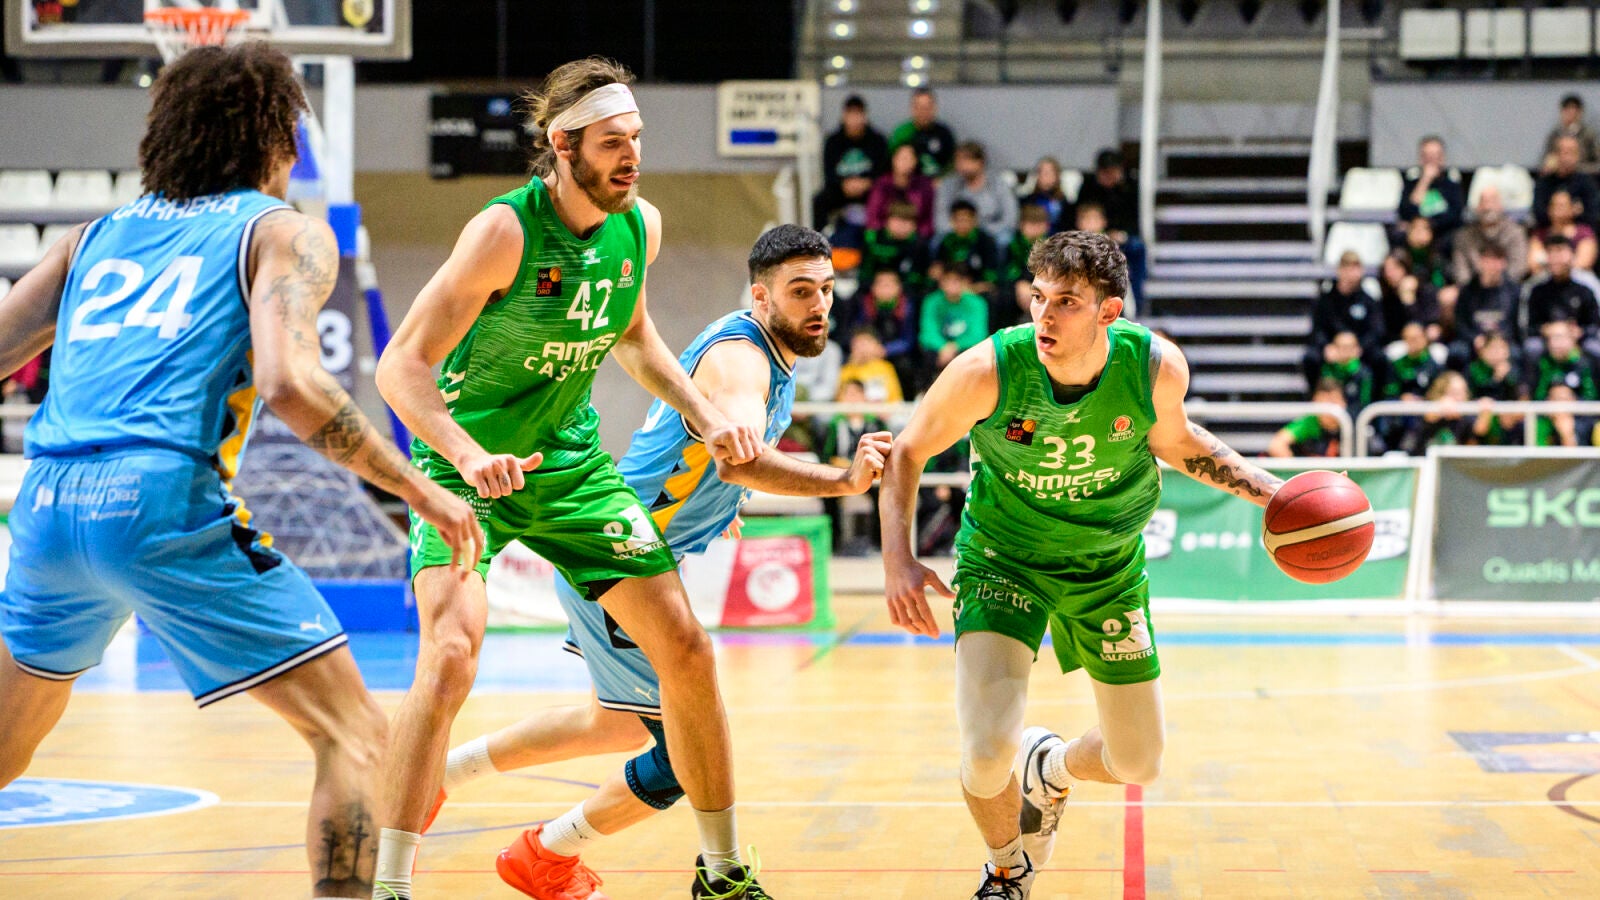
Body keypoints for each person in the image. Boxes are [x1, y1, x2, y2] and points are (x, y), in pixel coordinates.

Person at [0, 45, 481, 899]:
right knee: (354, 734)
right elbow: (291, 385)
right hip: (159, 500)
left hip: (47, 504)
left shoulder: (90, 240)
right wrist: (419, 488)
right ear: (278, 140)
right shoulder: (280, 231)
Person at [370, 57, 768, 900]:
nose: (632, 157)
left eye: (637, 140)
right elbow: (400, 366)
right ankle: (390, 886)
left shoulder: (639, 226)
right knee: (449, 658)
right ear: (563, 146)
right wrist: (466, 454)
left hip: (573, 469)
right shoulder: (504, 232)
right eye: (613, 143)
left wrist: (704, 412)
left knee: (687, 650)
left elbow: (635, 338)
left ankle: (723, 872)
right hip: (468, 469)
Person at [432, 225, 889, 900]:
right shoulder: (742, 359)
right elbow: (739, 457)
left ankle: (444, 776)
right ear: (761, 297)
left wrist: (719, 503)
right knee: (682, 753)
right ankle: (559, 855)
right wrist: (842, 481)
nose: (818, 305)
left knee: (615, 721)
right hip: (617, 556)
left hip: (632, 549)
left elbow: (713, 460)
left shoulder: (768, 351)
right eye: (800, 292)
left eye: (825, 290)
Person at [878, 231, 1284, 899]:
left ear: (1108, 311)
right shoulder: (988, 370)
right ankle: (1007, 867)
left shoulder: (1154, 368)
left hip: (1107, 568)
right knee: (986, 754)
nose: (1045, 315)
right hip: (1005, 560)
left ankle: (1052, 768)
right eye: (1037, 297)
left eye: (1066, 301)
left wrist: (1272, 492)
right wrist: (899, 560)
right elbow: (907, 452)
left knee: (1139, 761)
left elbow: (1178, 442)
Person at [1304, 251, 1384, 393]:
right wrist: (1328, 347)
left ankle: (1373, 401)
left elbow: (1376, 331)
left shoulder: (1368, 301)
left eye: (1355, 268)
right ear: (1339, 270)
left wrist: (1359, 347)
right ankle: (1317, 397)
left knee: (1380, 359)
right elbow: (1318, 330)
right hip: (1333, 349)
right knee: (1311, 358)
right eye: (1347, 268)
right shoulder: (1325, 301)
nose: (1351, 273)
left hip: (1359, 349)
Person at [813, 94, 889, 232]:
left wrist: (866, 183)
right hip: (841, 190)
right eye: (851, 114)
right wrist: (844, 184)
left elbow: (883, 172)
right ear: (844, 116)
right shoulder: (832, 141)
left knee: (885, 197)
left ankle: (879, 236)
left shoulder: (878, 141)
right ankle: (820, 239)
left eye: (858, 114)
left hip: (869, 190)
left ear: (865, 116)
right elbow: (828, 173)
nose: (855, 119)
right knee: (819, 201)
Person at [1449, 242, 1522, 369]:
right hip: (1474, 340)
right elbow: (1460, 323)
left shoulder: (1514, 291)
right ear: (1480, 262)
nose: (1492, 265)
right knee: (1457, 351)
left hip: (1503, 340)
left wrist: (1498, 341)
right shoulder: (1467, 290)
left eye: (1496, 260)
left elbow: (1515, 324)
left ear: (1504, 263)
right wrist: (1475, 338)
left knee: (1516, 353)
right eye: (1488, 260)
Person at [1524, 235, 1600, 357]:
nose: (1555, 259)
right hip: (1546, 340)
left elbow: (1594, 325)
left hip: (1578, 340)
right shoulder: (1537, 290)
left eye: (1560, 252)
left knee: (1595, 348)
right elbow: (1530, 326)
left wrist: (1578, 332)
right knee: (1532, 347)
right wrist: (1547, 330)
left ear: (1572, 255)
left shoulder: (1585, 289)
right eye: (1551, 252)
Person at [936, 141, 1019, 244]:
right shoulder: (948, 185)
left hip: (991, 232)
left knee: (1004, 239)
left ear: (980, 162)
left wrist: (982, 233)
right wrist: (961, 230)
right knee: (937, 241)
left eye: (966, 160)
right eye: (958, 160)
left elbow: (1010, 219)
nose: (960, 165)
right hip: (957, 232)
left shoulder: (998, 184)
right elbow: (940, 220)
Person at [920, 263, 991, 377]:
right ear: (941, 282)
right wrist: (943, 347)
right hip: (938, 351)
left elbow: (978, 335)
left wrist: (954, 346)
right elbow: (927, 333)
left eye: (956, 281)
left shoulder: (977, 303)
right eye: (947, 280)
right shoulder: (931, 302)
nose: (951, 285)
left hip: (964, 350)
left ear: (964, 282)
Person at [1449, 185, 1528, 286]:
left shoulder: (1515, 233)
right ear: (1476, 208)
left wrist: (1496, 283)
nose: (1487, 207)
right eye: (1483, 202)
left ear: (1501, 206)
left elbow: (1518, 268)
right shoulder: (1464, 236)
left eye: (1492, 201)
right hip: (1473, 290)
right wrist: (1476, 287)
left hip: (1507, 289)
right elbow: (1461, 273)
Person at [1398, 135, 1465, 243]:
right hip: (1414, 233)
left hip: (1443, 234)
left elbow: (1455, 215)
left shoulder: (1452, 186)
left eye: (1435, 156)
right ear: (1421, 159)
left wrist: (1429, 225)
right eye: (1428, 156)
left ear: (1442, 158)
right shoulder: (1410, 185)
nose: (1432, 161)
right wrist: (1425, 180)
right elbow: (1406, 212)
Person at [859, 201, 931, 298]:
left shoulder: (920, 245)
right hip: (872, 290)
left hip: (906, 293)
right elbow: (864, 272)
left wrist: (897, 288)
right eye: (897, 220)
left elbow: (918, 277)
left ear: (914, 225)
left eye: (907, 221)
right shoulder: (872, 239)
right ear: (887, 221)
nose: (901, 226)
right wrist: (879, 286)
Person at [866, 143, 938, 238]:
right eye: (903, 158)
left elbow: (928, 219)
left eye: (910, 158)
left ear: (916, 161)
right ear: (894, 159)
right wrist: (890, 229)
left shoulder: (924, 185)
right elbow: (873, 216)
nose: (906, 163)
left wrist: (914, 231)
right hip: (885, 235)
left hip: (916, 237)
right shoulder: (882, 184)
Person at [1266, 379, 1348, 458]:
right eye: (1323, 402)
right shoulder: (1309, 422)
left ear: (1344, 403)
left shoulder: (1349, 425)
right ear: (1315, 401)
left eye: (1333, 401)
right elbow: (1276, 445)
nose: (1327, 409)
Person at [931, 199, 1000, 292]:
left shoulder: (985, 241)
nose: (962, 224)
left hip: (976, 290)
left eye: (966, 220)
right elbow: (937, 272)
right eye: (958, 220)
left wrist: (969, 288)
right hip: (949, 289)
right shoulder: (946, 241)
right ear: (951, 221)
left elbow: (991, 279)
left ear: (975, 220)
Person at [889, 86, 958, 178]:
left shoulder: (945, 134)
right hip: (911, 183)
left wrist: (941, 180)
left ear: (934, 108)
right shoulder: (902, 133)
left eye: (927, 107)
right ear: (912, 108)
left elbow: (952, 165)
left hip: (938, 183)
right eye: (919, 107)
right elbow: (891, 165)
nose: (923, 112)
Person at [1534, 135, 1600, 229]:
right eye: (1563, 152)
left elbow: (1593, 215)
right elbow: (1539, 214)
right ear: (1555, 155)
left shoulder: (1587, 183)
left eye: (1571, 152)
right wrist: (1571, 212)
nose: (1566, 158)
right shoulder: (1544, 183)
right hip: (1549, 231)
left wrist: (1565, 214)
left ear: (1578, 156)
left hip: (1579, 232)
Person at [1529, 188, 1599, 277]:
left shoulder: (1584, 233)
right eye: (1553, 205)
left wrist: (1556, 266)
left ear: (1573, 208)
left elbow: (1584, 262)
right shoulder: (1540, 234)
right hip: (1546, 277)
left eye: (1561, 205)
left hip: (1577, 277)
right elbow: (1533, 263)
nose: (1557, 209)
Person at [839, 327, 907, 404]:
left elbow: (896, 398)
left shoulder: (885, 368)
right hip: (853, 409)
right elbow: (839, 399)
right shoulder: (846, 370)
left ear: (875, 345)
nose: (862, 349)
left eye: (865, 344)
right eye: (857, 344)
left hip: (881, 409)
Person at [1541, 94, 1600, 177]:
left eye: (1574, 110)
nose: (1571, 114)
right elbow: (1544, 161)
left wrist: (1576, 167)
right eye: (1567, 110)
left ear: (1580, 112)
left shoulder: (1589, 135)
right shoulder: (1555, 135)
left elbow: (1597, 164)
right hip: (1559, 178)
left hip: (1584, 178)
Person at [1017, 156, 1073, 233]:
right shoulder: (1027, 201)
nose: (1044, 176)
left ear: (1057, 175)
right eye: (1041, 172)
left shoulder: (1065, 204)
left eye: (1048, 172)